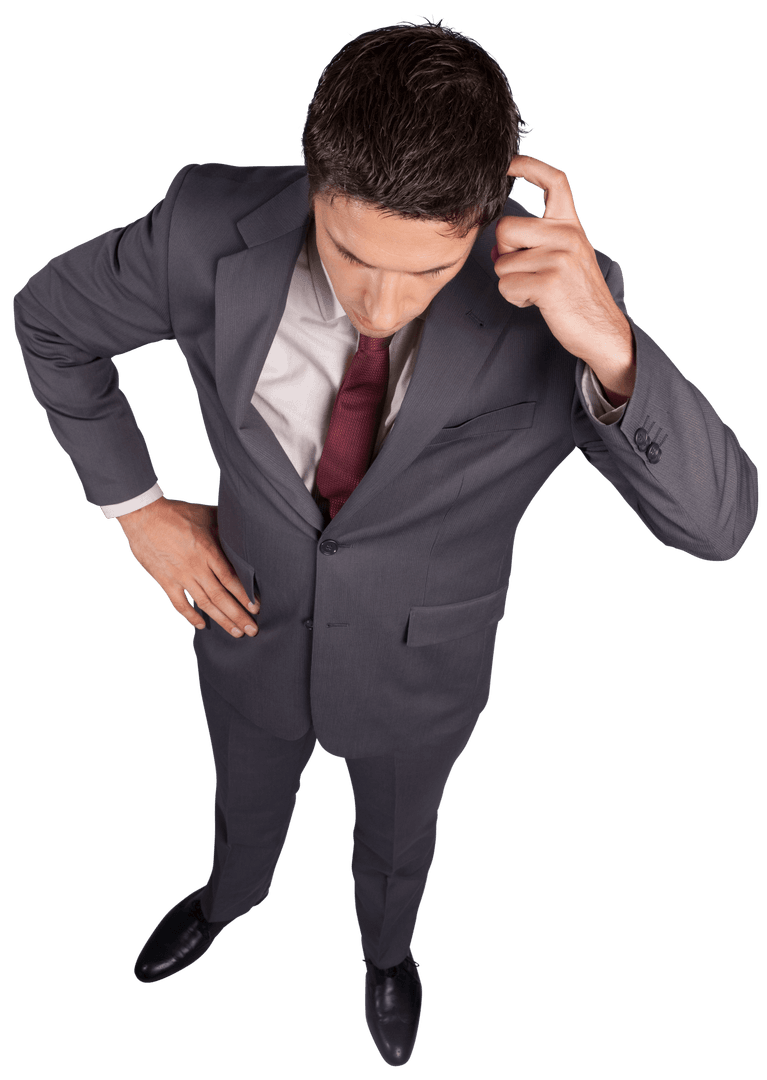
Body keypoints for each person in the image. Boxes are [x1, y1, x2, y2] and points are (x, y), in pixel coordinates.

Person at [12, 17, 758, 1068]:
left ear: (482, 218)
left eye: (426, 270)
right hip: (245, 623)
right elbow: (49, 322)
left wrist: (611, 347)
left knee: (400, 841)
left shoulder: (557, 301)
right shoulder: (201, 224)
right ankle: (228, 900)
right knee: (241, 803)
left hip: (424, 669)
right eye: (352, 254)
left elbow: (717, 527)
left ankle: (386, 955)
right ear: (313, 182)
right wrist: (137, 511)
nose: (378, 303)